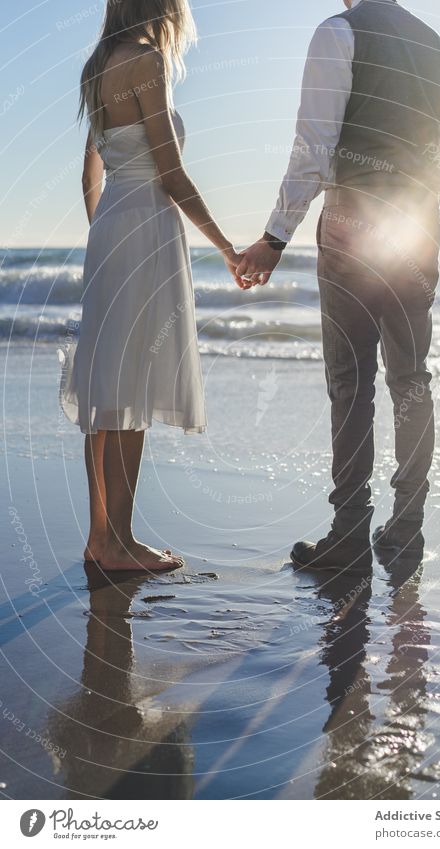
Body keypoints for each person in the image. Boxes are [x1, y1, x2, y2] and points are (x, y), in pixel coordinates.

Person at [238, 0, 440, 570]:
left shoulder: (339, 32)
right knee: (411, 377)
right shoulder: (437, 45)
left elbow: (314, 145)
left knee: (352, 382)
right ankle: (407, 527)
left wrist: (275, 236)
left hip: (354, 224)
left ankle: (350, 535)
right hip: (418, 227)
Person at [60, 0, 245, 572]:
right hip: (146, 225)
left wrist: (106, 232)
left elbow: (89, 173)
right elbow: (170, 172)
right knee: (133, 384)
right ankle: (120, 544)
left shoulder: (98, 65)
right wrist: (226, 248)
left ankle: (101, 539)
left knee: (107, 388)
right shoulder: (145, 60)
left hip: (113, 225)